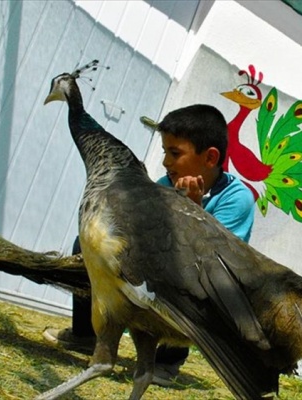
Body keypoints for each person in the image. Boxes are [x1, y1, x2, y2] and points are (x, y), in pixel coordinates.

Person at [43, 104, 255, 386]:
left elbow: (217, 258)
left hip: (201, 281)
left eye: (175, 153)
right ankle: (86, 334)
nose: (166, 162)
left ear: (210, 157)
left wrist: (194, 209)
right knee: (88, 248)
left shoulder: (236, 198)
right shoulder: (164, 183)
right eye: (165, 152)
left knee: (189, 287)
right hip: (157, 268)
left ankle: (167, 362)